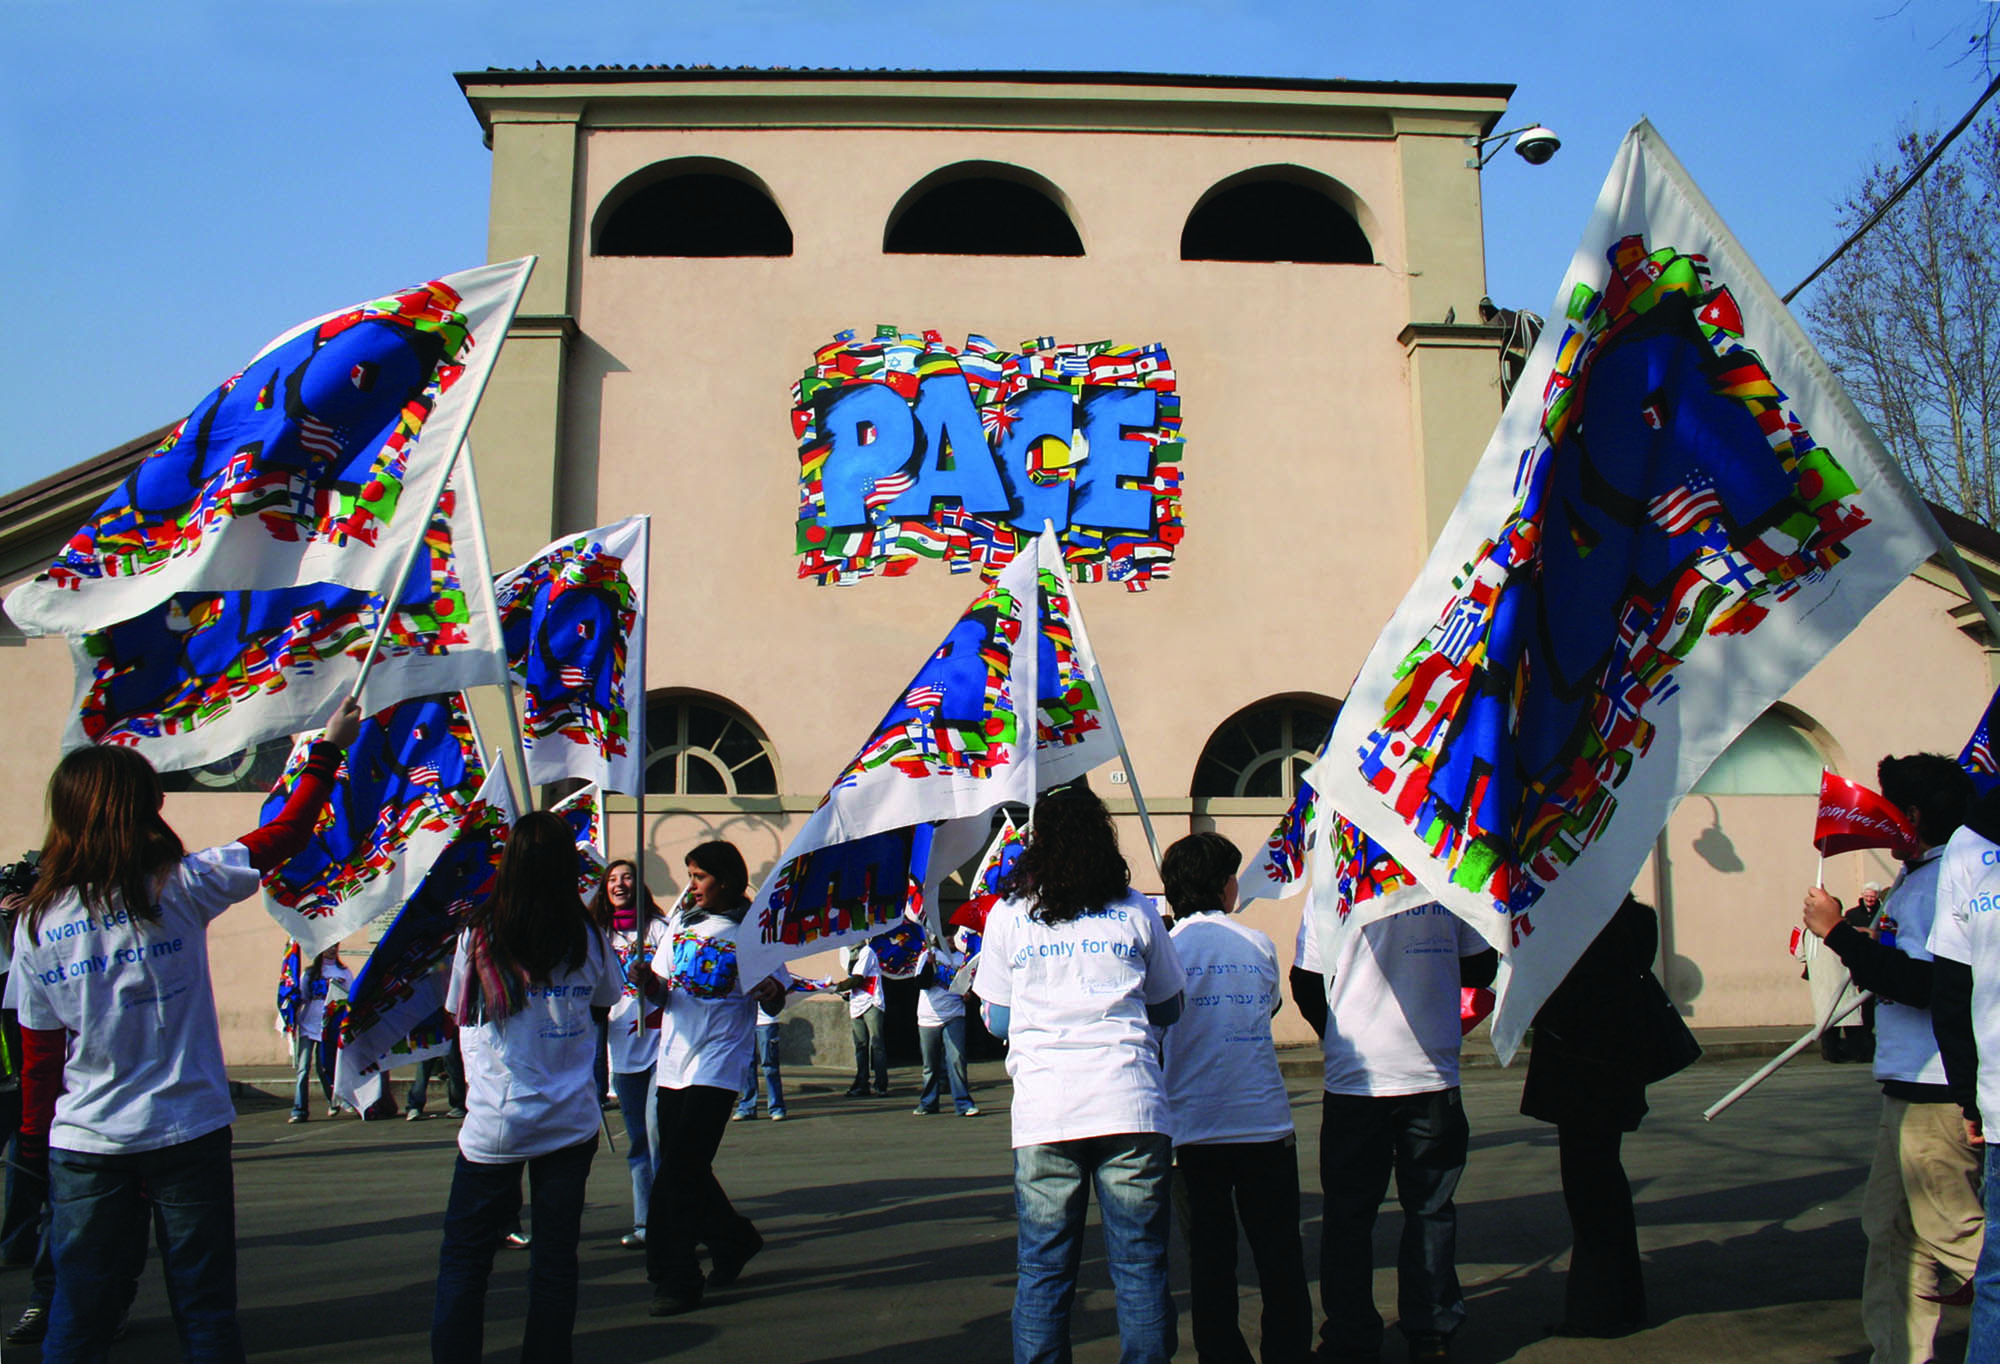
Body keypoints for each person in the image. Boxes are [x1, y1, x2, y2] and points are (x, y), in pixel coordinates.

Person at [5, 695, 363, 1363]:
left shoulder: (38, 923)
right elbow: (285, 834)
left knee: (78, 1317)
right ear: (141, 810)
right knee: (204, 1313)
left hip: (86, 1140)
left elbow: (40, 1056)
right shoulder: (183, 885)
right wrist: (327, 751)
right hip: (186, 1129)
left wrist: (30, 1147)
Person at [976, 785, 1187, 1364]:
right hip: (1131, 1104)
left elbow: (995, 1020)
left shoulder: (1009, 915)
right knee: (1141, 1265)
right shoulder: (1136, 908)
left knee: (1043, 1268)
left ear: (1036, 841)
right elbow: (1170, 1007)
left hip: (1047, 1111)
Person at [1804, 753, 1983, 1364]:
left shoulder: (1945, 881)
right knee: (1891, 1234)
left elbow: (1929, 984)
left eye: (1889, 809)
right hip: (1908, 1084)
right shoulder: (1922, 875)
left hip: (1935, 1087)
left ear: (1910, 816)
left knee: (1955, 1235)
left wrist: (1839, 935)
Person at [430, 810, 621, 1364]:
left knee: (466, 1261)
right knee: (555, 1262)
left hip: (497, 1118)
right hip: (570, 1118)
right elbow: (607, 998)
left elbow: (457, 1012)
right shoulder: (587, 936)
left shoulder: (481, 934)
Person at [1291, 898, 1497, 1364]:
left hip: (1358, 1077)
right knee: (1430, 1207)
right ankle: (1431, 1330)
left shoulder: (1335, 879)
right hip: (1428, 1069)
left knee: (1349, 1215)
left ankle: (1351, 1338)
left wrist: (1342, 1035)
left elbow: (1305, 981)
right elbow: (1482, 965)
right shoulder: (1442, 878)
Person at [1159, 831, 1310, 1364]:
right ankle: (1288, 1352)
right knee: (1280, 1256)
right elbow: (1267, 1009)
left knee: (1210, 1263)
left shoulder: (1168, 951)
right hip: (1263, 1123)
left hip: (1191, 1128)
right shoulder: (1257, 944)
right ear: (1226, 886)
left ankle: (1222, 1356)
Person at [631, 840, 789, 1316]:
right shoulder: (680, 924)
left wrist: (768, 990)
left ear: (724, 880)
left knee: (676, 1174)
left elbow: (778, 994)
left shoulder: (753, 929)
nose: (691, 885)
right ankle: (733, 1239)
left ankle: (675, 1276)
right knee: (686, 1167)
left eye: (699, 876)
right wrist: (647, 983)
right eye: (690, 875)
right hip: (674, 1061)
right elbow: (664, 992)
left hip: (718, 1066)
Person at [1519, 895, 1663, 1338]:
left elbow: (1552, 994)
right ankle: (1620, 1301)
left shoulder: (1569, 919)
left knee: (1589, 1191)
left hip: (1579, 1070)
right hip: (1615, 1067)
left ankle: (1597, 1309)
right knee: (1606, 1184)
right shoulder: (1638, 919)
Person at [1930, 786, 2000, 1360]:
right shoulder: (1967, 842)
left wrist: (1970, 1094)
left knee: (1998, 1280)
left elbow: (1952, 989)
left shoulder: (1968, 845)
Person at [592, 858, 664, 1245]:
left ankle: (669, 1220)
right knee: (637, 1139)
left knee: (657, 1134)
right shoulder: (597, 936)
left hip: (661, 1048)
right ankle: (644, 1221)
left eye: (627, 878)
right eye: (612, 880)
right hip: (622, 1049)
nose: (619, 884)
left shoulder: (659, 929)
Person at [279, 943, 350, 1123]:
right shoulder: (310, 973)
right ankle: (299, 1109)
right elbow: (300, 996)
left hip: (329, 1025)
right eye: (329, 946)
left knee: (324, 1066)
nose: (333, 949)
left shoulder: (343, 972)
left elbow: (350, 996)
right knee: (303, 1069)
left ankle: (334, 1100)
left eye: (336, 946)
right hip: (308, 1025)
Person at [914, 928, 977, 1118]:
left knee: (957, 1059)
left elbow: (971, 986)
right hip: (929, 1016)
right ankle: (928, 1102)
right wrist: (928, 966)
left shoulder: (963, 960)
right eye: (947, 936)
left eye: (953, 937)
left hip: (954, 1014)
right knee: (930, 1064)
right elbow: (921, 983)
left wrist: (968, 995)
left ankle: (963, 1104)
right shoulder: (928, 955)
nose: (950, 940)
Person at [844, 941, 889, 1097]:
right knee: (860, 1046)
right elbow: (852, 980)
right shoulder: (849, 955)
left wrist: (837, 986)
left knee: (876, 1044)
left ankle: (881, 1084)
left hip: (871, 1003)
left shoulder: (866, 952)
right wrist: (846, 992)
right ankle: (862, 1083)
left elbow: (858, 978)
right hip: (856, 1004)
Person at [735, 998, 787, 1121]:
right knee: (747, 1065)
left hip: (766, 1021)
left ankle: (776, 1107)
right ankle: (747, 1107)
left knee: (770, 1066)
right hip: (744, 1022)